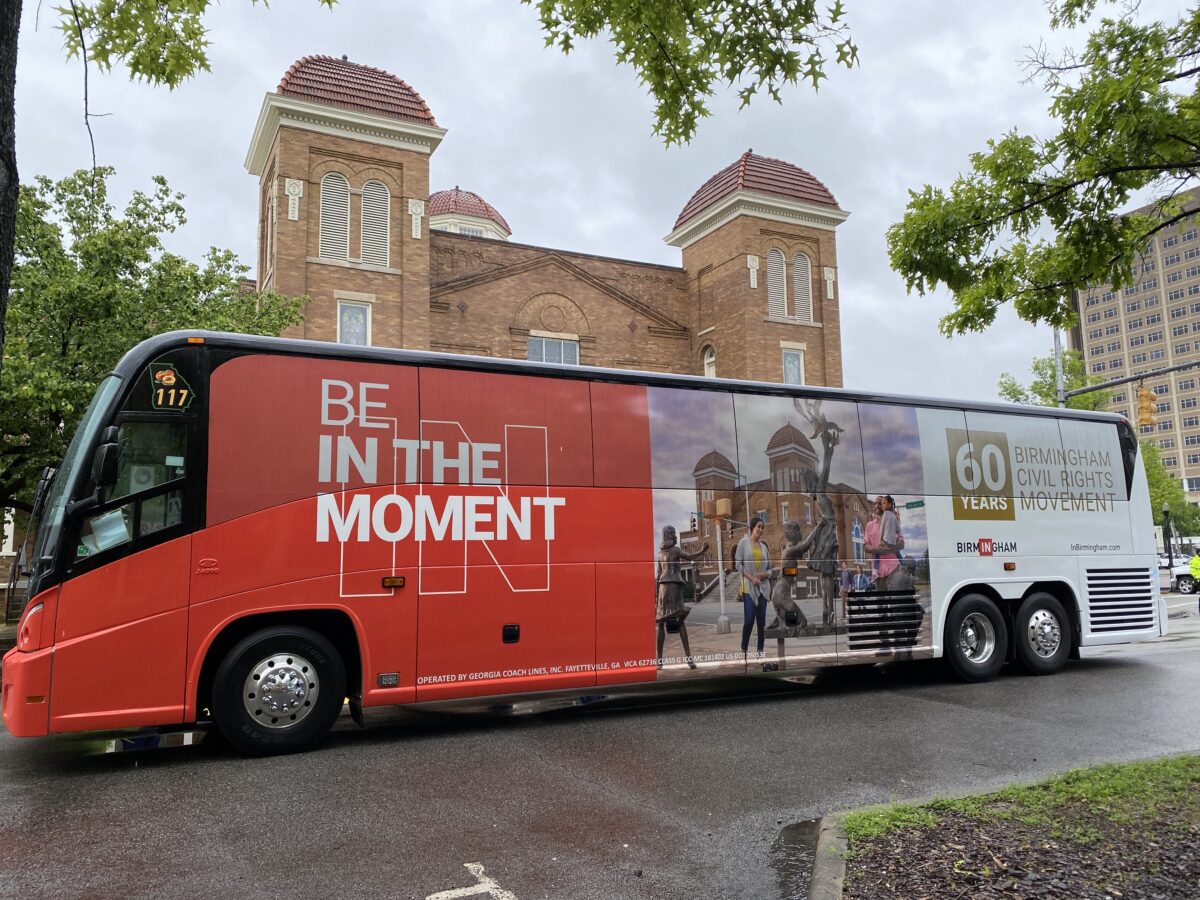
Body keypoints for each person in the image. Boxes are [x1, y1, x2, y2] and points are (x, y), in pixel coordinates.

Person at [656, 525, 707, 669]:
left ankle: (659, 661)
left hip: (662, 589)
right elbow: (689, 557)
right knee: (681, 622)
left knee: (661, 624)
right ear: (670, 535)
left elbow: (658, 575)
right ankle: (689, 659)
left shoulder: (659, 553)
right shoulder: (676, 550)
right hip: (674, 588)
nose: (675, 535)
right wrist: (702, 551)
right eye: (673, 533)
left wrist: (656, 596)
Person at [735, 517, 773, 661]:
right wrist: (751, 578)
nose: (761, 530)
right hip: (749, 587)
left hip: (763, 588)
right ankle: (744, 648)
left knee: (761, 622)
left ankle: (760, 652)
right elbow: (738, 565)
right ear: (752, 528)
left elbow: (770, 569)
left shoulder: (764, 547)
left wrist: (764, 574)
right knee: (749, 620)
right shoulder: (743, 543)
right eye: (758, 527)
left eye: (762, 527)